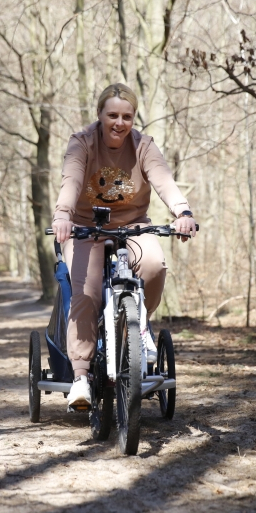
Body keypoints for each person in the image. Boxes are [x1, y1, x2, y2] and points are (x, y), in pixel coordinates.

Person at [52, 83, 197, 409]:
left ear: (134, 118)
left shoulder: (144, 146)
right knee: (86, 292)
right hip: (86, 229)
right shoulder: (82, 143)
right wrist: (63, 216)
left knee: (154, 265)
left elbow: (163, 179)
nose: (119, 122)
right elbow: (72, 181)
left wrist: (182, 212)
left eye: (127, 116)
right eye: (112, 115)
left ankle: (138, 325)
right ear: (100, 115)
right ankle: (80, 377)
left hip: (134, 227)